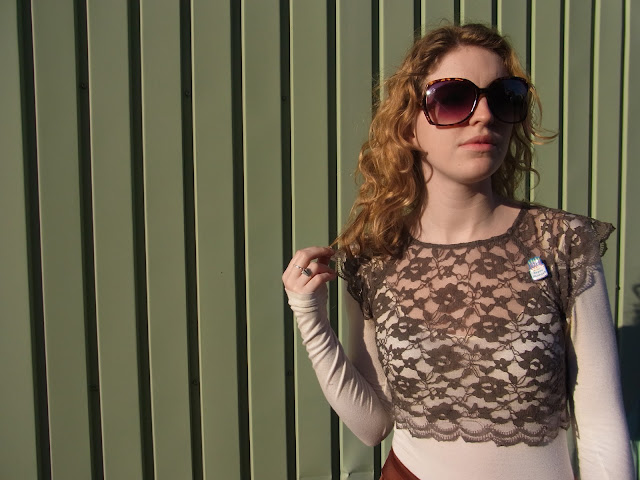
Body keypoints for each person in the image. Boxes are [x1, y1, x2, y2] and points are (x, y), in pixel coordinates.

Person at [282, 23, 634, 480]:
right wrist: (310, 316)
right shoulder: (374, 258)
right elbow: (373, 426)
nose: (484, 115)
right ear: (408, 126)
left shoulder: (561, 243)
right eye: (452, 98)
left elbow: (602, 426)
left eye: (504, 97)